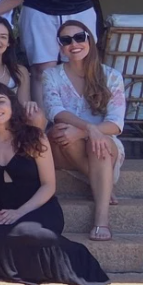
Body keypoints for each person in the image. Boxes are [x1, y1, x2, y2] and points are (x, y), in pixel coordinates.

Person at [0, 82, 109, 285]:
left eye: (1, 101)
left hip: (38, 207)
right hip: (1, 210)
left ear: (12, 106)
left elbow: (48, 185)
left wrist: (19, 212)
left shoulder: (33, 137)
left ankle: (76, 257)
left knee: (28, 232)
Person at [42, 20, 126, 242]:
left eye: (79, 37)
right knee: (61, 131)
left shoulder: (111, 76)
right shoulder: (51, 75)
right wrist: (88, 128)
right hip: (67, 144)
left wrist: (87, 133)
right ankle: (101, 183)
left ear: (90, 40)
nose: (74, 44)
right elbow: (55, 111)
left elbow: (116, 123)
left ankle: (101, 220)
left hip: (104, 144)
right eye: (66, 40)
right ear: (61, 47)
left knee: (98, 143)